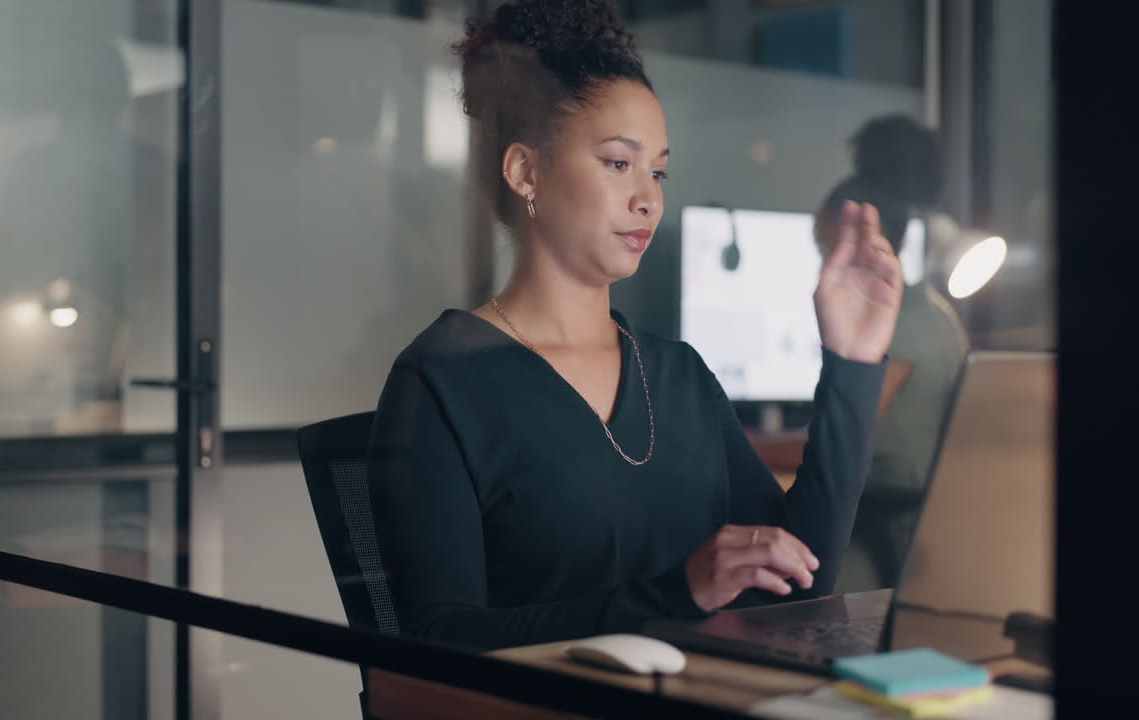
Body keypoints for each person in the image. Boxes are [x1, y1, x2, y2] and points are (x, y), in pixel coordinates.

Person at [367, 0, 903, 651]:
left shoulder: (677, 375)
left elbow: (797, 580)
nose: (648, 196)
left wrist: (850, 363)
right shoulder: (441, 382)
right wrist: (675, 594)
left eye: (659, 170)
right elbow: (439, 641)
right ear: (525, 171)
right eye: (619, 163)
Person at [813, 116, 970, 593]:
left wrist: (751, 445)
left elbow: (848, 427)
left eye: (824, 252)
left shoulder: (891, 325)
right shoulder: (939, 312)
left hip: (898, 526)